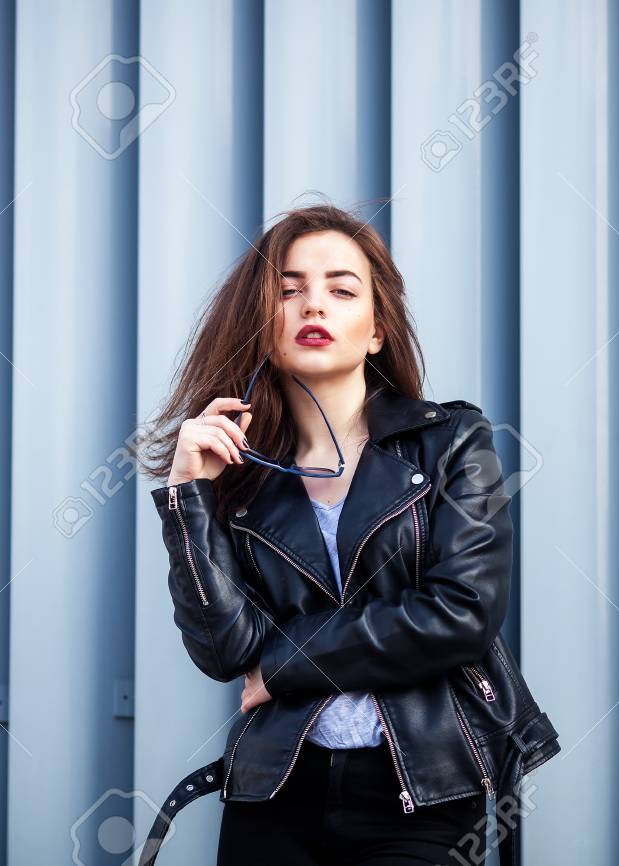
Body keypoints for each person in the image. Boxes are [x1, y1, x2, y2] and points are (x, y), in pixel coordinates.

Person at [138, 201, 559, 866]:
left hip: (421, 792)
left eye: (341, 289)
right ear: (263, 324)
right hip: (275, 792)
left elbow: (460, 613)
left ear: (376, 331)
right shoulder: (240, 474)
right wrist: (187, 493)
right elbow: (225, 650)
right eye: (289, 290)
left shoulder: (451, 444)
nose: (313, 306)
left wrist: (281, 664)